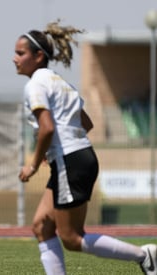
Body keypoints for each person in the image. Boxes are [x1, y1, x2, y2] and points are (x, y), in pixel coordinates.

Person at [14, 20, 157, 275]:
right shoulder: (60, 82)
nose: (14, 59)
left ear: (38, 56)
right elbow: (86, 123)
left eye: (20, 53)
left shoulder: (35, 84)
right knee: (41, 226)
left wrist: (33, 164)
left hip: (69, 161)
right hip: (79, 156)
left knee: (71, 238)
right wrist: (59, 147)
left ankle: (144, 255)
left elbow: (46, 128)